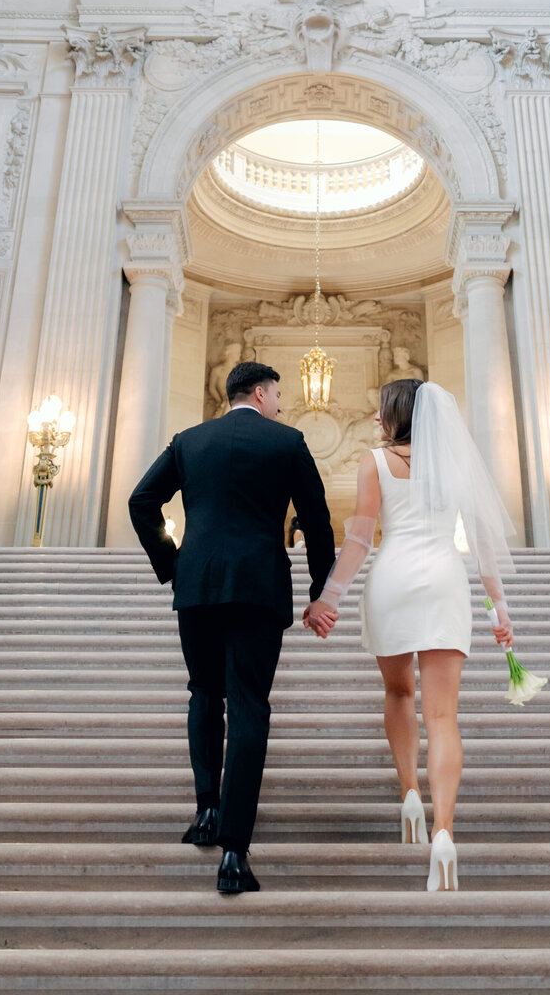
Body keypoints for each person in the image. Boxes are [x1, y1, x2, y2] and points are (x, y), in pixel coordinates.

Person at [128, 360, 335, 895]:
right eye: (279, 395)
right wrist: (320, 590)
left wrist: (173, 563)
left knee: (203, 693)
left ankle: (205, 812)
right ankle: (235, 854)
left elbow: (141, 501)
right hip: (259, 589)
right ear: (262, 393)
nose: (282, 405)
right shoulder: (288, 442)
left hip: (197, 586)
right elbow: (316, 520)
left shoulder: (189, 440)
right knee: (249, 706)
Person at [304, 378, 517, 894]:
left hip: (392, 579)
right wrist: (499, 607)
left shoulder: (374, 462)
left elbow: (358, 540)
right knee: (443, 716)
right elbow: (484, 546)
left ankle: (408, 796)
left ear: (395, 413)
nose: (376, 418)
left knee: (398, 693)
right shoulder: (456, 464)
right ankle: (444, 832)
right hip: (445, 579)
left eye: (381, 411)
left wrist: (327, 598)